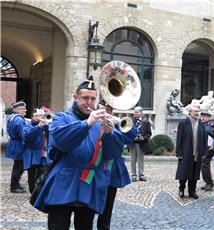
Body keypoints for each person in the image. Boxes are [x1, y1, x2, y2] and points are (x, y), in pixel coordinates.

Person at [33, 77, 126, 229]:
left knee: (85, 226)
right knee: (58, 226)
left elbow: (113, 154)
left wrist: (110, 133)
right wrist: (87, 123)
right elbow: (61, 141)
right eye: (85, 98)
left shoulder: (101, 123)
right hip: (64, 182)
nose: (89, 102)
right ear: (75, 98)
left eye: (93, 98)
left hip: (88, 183)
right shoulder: (62, 118)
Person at [96, 100, 138, 230]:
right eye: (102, 108)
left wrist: (115, 121)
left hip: (111, 170)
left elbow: (131, 136)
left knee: (107, 206)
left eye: (108, 108)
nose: (105, 111)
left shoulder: (116, 122)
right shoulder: (92, 121)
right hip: (94, 169)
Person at [175, 105, 207, 199]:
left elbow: (204, 138)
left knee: (194, 173)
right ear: (190, 112)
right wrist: (179, 152)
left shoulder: (201, 123)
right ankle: (181, 189)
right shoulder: (183, 122)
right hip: (186, 152)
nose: (197, 113)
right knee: (184, 172)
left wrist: (204, 151)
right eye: (195, 111)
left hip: (197, 152)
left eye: (198, 111)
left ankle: (192, 191)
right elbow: (179, 138)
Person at [22, 109, 50, 194]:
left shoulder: (44, 126)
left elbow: (51, 136)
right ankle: (32, 192)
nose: (38, 117)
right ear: (32, 117)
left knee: (43, 174)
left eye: (40, 116)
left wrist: (46, 126)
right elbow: (28, 136)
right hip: (32, 154)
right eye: (36, 116)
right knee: (32, 175)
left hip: (43, 154)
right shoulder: (27, 126)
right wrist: (38, 127)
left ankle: (40, 192)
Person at [6, 101, 27, 193]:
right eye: (24, 108)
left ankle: (15, 184)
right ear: (18, 110)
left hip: (14, 143)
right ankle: (14, 186)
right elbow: (24, 134)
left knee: (18, 166)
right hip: (19, 145)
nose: (26, 110)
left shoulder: (12, 117)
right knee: (19, 166)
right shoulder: (19, 119)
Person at [129, 106, 152, 182]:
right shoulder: (131, 121)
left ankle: (141, 175)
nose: (135, 113)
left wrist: (144, 138)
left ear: (141, 113)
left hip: (141, 143)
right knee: (132, 160)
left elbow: (149, 133)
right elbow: (127, 131)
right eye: (134, 112)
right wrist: (132, 137)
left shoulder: (146, 122)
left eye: (137, 112)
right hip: (133, 143)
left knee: (140, 160)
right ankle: (133, 175)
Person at [200, 111, 214, 191]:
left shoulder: (212, 125)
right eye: (202, 116)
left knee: (204, 165)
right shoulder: (200, 124)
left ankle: (209, 183)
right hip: (202, 147)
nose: (203, 118)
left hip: (209, 148)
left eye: (205, 116)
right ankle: (208, 182)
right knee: (203, 165)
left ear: (209, 118)